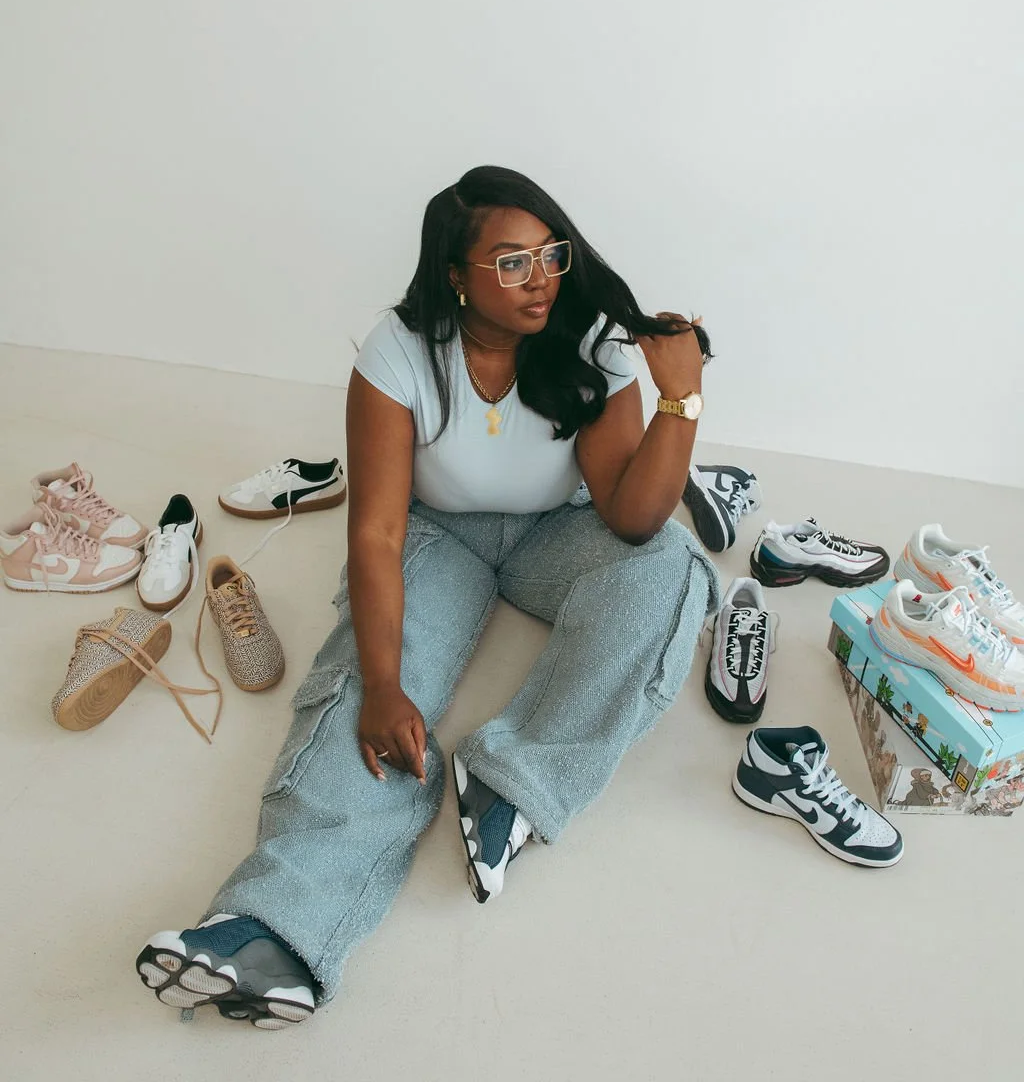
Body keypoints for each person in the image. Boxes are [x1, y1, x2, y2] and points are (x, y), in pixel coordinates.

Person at [135, 165, 719, 1030]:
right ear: (456, 275)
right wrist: (381, 685)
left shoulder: (588, 340)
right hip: (436, 534)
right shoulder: (398, 353)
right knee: (369, 697)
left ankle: (510, 786)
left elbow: (631, 519)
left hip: (558, 532)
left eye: (552, 255)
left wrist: (680, 397)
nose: (542, 279)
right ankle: (274, 930)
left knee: (673, 569)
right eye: (512, 262)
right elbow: (375, 533)